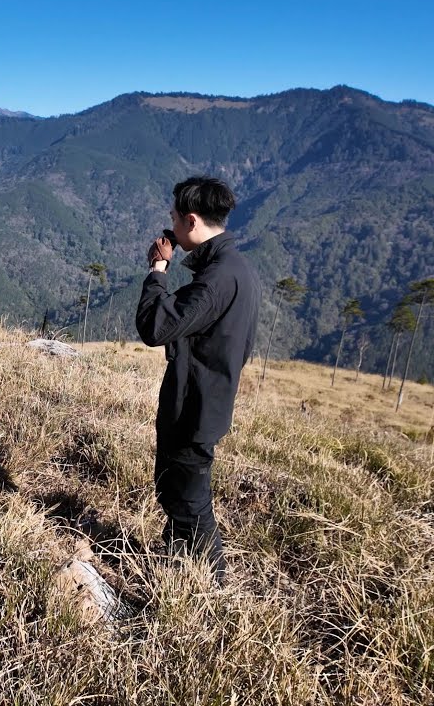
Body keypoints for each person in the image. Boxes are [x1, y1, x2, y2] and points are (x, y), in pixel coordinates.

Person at [136, 176, 260, 585]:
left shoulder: (216, 280)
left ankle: (212, 585)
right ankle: (177, 569)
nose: (169, 224)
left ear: (191, 220)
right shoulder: (236, 268)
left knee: (190, 501)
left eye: (173, 217)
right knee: (176, 491)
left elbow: (155, 327)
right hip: (207, 401)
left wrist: (158, 269)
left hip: (194, 408)